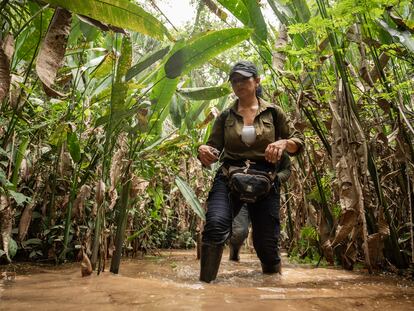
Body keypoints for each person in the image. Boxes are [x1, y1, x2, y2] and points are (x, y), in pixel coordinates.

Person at [197, 60, 304, 283]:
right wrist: (203, 151)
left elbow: (298, 143)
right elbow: (213, 148)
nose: (238, 84)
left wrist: (284, 143)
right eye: (234, 80)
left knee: (266, 244)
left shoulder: (274, 113)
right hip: (228, 177)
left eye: (244, 79)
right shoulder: (225, 116)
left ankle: (273, 286)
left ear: (257, 81)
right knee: (215, 226)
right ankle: (204, 289)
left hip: (265, 179)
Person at [229, 152, 291, 262]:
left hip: (265, 196)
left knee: (266, 238)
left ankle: (270, 268)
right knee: (239, 231)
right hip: (242, 195)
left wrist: (273, 179)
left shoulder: (278, 148)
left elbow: (286, 170)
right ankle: (234, 251)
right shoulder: (241, 142)